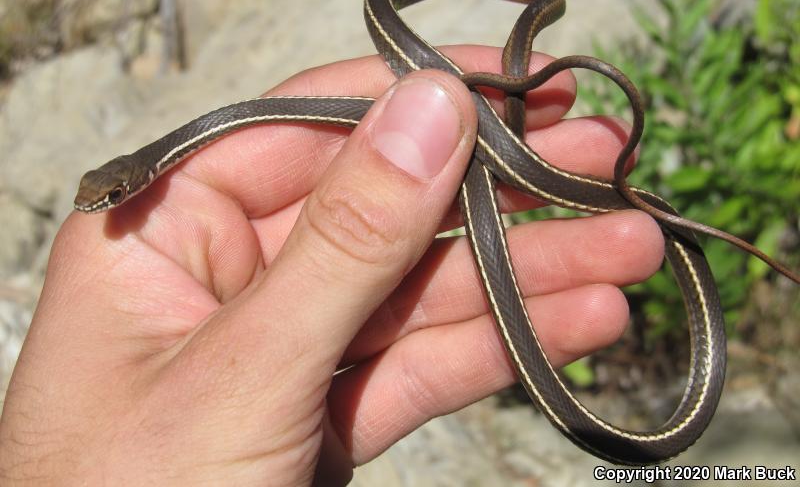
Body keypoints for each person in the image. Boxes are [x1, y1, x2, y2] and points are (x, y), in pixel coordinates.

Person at [0, 46, 663, 485]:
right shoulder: (163, 184)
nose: (106, 209)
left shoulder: (172, 171)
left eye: (112, 196)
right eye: (103, 197)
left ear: (137, 179)